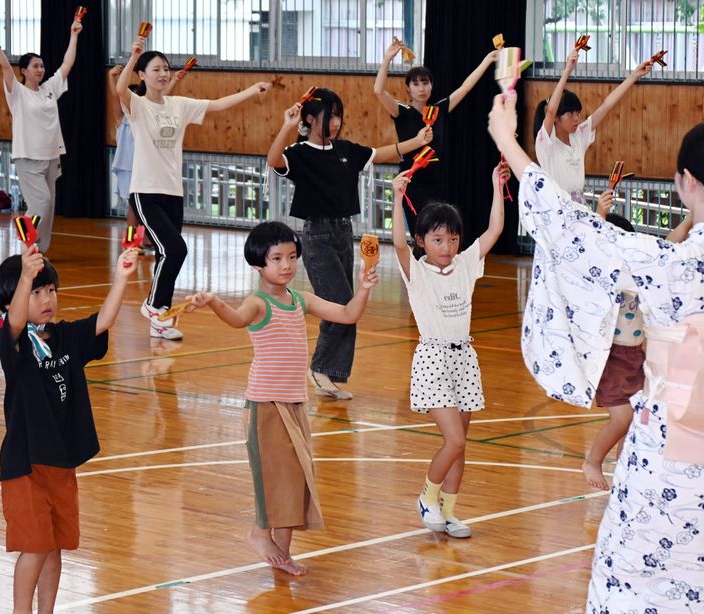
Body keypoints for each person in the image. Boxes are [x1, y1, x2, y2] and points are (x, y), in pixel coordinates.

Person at [489, 65, 704, 610]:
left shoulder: (668, 262)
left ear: (686, 182)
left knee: (634, 584)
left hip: (670, 457)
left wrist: (508, 140)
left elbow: (567, 225)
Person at [183, 221, 379, 575]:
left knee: (297, 480)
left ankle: (283, 554)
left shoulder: (300, 301)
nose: (287, 265)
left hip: (294, 405)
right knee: (275, 479)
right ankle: (260, 532)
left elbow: (348, 314)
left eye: (291, 256)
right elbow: (236, 319)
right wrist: (213, 301)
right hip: (266, 407)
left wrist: (363, 288)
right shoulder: (258, 303)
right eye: (277, 258)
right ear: (258, 264)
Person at [0, 244, 138, 614]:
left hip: (60, 463)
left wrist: (121, 278)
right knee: (37, 546)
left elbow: (102, 321)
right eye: (36, 292)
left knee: (54, 546)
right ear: (12, 302)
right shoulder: (13, 345)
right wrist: (26, 275)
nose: (46, 299)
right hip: (25, 465)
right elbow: (14, 323)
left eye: (51, 290)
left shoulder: (65, 337)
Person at [266, 88, 431, 400]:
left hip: (344, 233)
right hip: (317, 235)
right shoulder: (300, 153)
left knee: (350, 305)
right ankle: (320, 367)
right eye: (329, 116)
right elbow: (274, 160)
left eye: (339, 116)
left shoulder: (346, 151)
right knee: (341, 303)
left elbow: (387, 151)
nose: (335, 123)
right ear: (311, 119)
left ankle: (330, 373)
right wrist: (287, 126)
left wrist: (419, 141)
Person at [116, 34, 271, 340]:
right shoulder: (137, 106)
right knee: (176, 248)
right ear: (143, 75)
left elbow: (217, 105)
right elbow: (120, 89)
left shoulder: (179, 105)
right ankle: (153, 306)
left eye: (166, 69)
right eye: (156, 69)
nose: (163, 74)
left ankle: (159, 319)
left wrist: (252, 90)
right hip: (146, 192)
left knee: (169, 255)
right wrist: (134, 55)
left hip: (173, 192)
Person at [390, 162, 507, 538]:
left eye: (453, 239)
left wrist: (494, 185)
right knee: (453, 439)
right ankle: (427, 498)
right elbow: (395, 242)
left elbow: (495, 230)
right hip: (433, 359)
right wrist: (395, 197)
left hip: (464, 360)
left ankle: (450, 512)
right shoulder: (417, 273)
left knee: (461, 445)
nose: (447, 247)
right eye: (438, 240)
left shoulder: (466, 264)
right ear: (422, 241)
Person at [374, 39, 499, 236]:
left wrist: (486, 61)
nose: (421, 88)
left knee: (438, 232)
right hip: (412, 181)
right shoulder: (401, 112)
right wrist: (388, 58)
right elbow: (378, 91)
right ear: (408, 88)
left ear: (432, 85)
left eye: (425, 83)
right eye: (415, 84)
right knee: (420, 234)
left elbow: (465, 87)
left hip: (438, 180)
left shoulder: (438, 109)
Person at [0, 14, 83, 253]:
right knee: (41, 202)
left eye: (42, 66)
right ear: (24, 71)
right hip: (28, 157)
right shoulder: (18, 92)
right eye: (35, 66)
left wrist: (74, 35)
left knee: (48, 208)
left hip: (51, 156)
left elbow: (67, 64)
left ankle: (39, 250)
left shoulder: (49, 88)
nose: (40, 69)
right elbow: (4, 67)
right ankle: (27, 246)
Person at [532, 48, 652, 205]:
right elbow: (552, 109)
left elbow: (607, 105)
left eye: (578, 113)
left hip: (580, 206)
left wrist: (634, 75)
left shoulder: (579, 136)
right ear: (556, 118)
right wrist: (568, 69)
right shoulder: (546, 144)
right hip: (557, 210)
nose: (576, 118)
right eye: (570, 114)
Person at [580, 210, 646, 491]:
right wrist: (600, 215)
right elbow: (587, 246)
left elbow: (669, 243)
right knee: (623, 418)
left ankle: (624, 478)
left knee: (632, 424)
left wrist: (690, 220)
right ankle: (592, 460)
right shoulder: (602, 277)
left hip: (636, 357)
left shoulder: (637, 272)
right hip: (612, 358)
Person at [108, 64, 183, 251]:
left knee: (144, 208)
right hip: (128, 168)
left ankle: (147, 239)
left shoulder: (144, 114)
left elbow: (163, 96)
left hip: (146, 168)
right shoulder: (122, 119)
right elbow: (116, 96)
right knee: (134, 208)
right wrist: (111, 78)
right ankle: (132, 242)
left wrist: (174, 80)